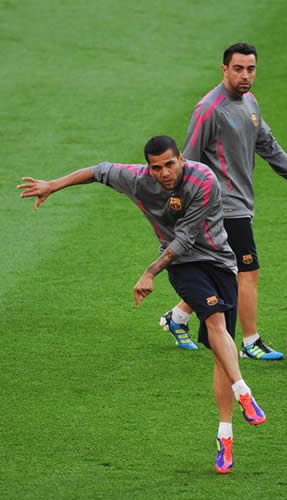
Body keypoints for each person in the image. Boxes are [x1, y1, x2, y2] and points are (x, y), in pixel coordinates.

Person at [17, 135, 267, 474]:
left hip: (220, 262)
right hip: (182, 266)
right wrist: (53, 185)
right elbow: (98, 170)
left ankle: (225, 436)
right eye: (156, 167)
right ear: (148, 167)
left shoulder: (204, 180)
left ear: (181, 159)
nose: (163, 173)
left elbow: (187, 236)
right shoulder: (138, 180)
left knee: (222, 355)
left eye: (169, 164)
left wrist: (149, 272)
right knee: (214, 319)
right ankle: (244, 392)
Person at [160, 42, 287, 360]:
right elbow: (189, 160)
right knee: (247, 272)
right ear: (224, 69)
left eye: (251, 69)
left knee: (223, 269)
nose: (245, 75)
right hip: (219, 206)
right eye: (238, 68)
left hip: (241, 204)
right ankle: (251, 342)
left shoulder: (250, 103)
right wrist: (182, 205)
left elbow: (268, 144)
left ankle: (177, 317)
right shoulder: (209, 109)